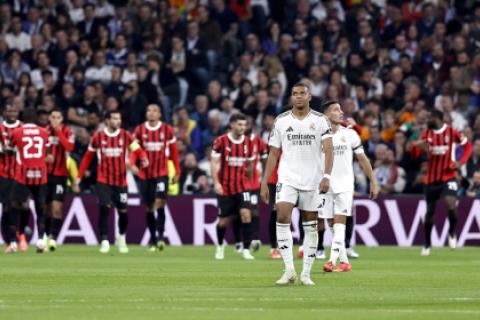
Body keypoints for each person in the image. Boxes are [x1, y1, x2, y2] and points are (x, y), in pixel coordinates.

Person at [260, 82, 334, 286]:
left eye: (303, 93)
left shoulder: (321, 121)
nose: (299, 96)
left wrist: (327, 176)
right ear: (291, 97)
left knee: (310, 224)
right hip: (287, 178)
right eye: (295, 94)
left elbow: (329, 150)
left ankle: (306, 273)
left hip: (312, 180)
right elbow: (273, 153)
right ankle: (289, 270)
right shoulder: (281, 121)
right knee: (282, 217)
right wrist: (265, 182)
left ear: (309, 96)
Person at [75, 110, 148, 254]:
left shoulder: (125, 135)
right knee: (104, 209)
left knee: (123, 212)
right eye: (114, 118)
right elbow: (87, 158)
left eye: (119, 118)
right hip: (103, 181)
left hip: (121, 181)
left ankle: (121, 238)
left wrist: (144, 158)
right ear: (107, 121)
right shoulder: (98, 136)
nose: (118, 121)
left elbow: (138, 150)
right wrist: (78, 177)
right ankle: (104, 241)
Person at [320, 101, 378, 273]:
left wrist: (373, 181)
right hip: (325, 185)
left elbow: (363, 159)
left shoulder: (351, 134)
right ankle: (344, 262)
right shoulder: (318, 136)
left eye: (340, 109)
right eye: (336, 110)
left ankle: (331, 261)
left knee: (339, 222)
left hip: (345, 185)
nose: (341, 112)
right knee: (331, 223)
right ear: (326, 115)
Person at [412, 110, 472, 256]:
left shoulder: (452, 132)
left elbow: (468, 147)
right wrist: (416, 146)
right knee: (430, 212)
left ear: (437, 119)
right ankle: (427, 243)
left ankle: (451, 232)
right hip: (431, 179)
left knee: (451, 205)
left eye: (429, 118)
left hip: (448, 176)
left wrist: (461, 162)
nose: (427, 120)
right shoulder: (426, 133)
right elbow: (415, 155)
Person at [131, 104, 181, 252]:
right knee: (149, 207)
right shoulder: (140, 130)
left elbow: (174, 153)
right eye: (148, 110)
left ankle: (160, 237)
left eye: (154, 111)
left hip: (161, 173)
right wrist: (133, 164)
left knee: (160, 202)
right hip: (145, 174)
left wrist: (177, 171)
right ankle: (153, 239)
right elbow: (134, 149)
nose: (151, 113)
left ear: (159, 114)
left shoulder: (167, 130)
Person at [211, 113, 255, 261]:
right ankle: (220, 246)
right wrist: (216, 182)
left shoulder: (248, 143)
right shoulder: (220, 141)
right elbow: (214, 163)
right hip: (225, 187)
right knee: (223, 221)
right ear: (231, 125)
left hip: (242, 186)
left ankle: (246, 250)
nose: (243, 128)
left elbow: (249, 166)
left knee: (246, 214)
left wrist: (248, 183)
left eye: (244, 125)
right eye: (239, 125)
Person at [6, 109, 49, 253]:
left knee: (14, 207)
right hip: (40, 175)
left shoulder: (16, 132)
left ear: (22, 119)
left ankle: (12, 242)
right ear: (36, 119)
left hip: (22, 176)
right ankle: (41, 241)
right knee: (40, 209)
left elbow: (9, 151)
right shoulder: (44, 132)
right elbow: (46, 152)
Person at [44, 108, 75, 251]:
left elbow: (69, 146)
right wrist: (45, 157)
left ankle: (53, 239)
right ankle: (43, 236)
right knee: (46, 209)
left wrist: (58, 132)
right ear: (49, 118)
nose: (55, 120)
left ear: (62, 119)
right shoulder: (43, 131)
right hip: (45, 176)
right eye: (53, 117)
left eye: (58, 117)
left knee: (57, 208)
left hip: (60, 176)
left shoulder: (68, 132)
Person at [0, 105, 23, 253]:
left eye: (14, 110)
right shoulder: (0, 128)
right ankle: (11, 240)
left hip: (20, 173)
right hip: (3, 174)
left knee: (18, 206)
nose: (12, 113)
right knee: (6, 207)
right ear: (4, 113)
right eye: (9, 111)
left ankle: (16, 238)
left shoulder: (23, 128)